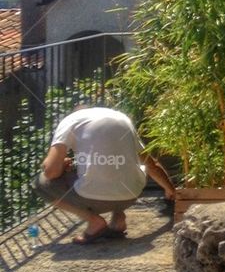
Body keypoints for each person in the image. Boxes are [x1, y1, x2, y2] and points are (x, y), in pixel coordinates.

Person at [36, 105, 176, 245]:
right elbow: (151, 165)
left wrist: (61, 166)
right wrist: (170, 189)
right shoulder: (122, 118)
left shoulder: (69, 121)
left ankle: (94, 221)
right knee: (125, 167)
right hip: (130, 195)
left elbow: (50, 171)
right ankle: (118, 219)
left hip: (94, 199)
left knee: (40, 183)